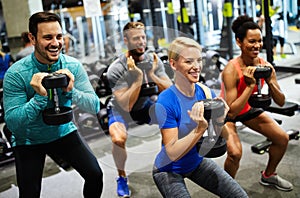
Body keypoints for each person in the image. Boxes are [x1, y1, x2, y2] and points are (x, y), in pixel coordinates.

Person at [3, 11, 103, 197]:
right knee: (29, 194)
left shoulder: (72, 66)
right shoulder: (16, 74)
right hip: (29, 138)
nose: (56, 43)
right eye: (48, 37)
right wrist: (40, 98)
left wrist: (70, 91)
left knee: (95, 174)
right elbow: (12, 123)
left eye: (59, 36)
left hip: (63, 131)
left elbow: (94, 106)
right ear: (32, 38)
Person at [152, 36, 248, 197]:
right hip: (168, 169)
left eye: (199, 60)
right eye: (189, 61)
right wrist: (200, 128)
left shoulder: (205, 92)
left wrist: (219, 119)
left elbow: (224, 135)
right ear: (173, 64)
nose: (196, 67)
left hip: (195, 162)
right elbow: (173, 152)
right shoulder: (165, 101)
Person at [220, 15, 293, 191]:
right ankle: (227, 190)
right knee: (235, 153)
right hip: (225, 113)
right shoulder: (231, 70)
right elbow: (231, 112)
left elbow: (281, 102)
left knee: (282, 138)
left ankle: (269, 176)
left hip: (247, 109)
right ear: (239, 42)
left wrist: (269, 81)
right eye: (252, 41)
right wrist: (250, 85)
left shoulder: (264, 65)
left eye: (260, 41)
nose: (257, 45)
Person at [106, 21, 172, 197]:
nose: (141, 42)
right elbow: (125, 105)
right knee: (118, 139)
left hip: (144, 106)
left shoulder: (152, 60)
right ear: (126, 41)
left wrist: (151, 74)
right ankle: (121, 177)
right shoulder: (116, 68)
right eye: (136, 38)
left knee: (172, 116)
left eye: (143, 37)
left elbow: (170, 89)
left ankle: (165, 164)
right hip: (121, 109)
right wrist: (137, 79)